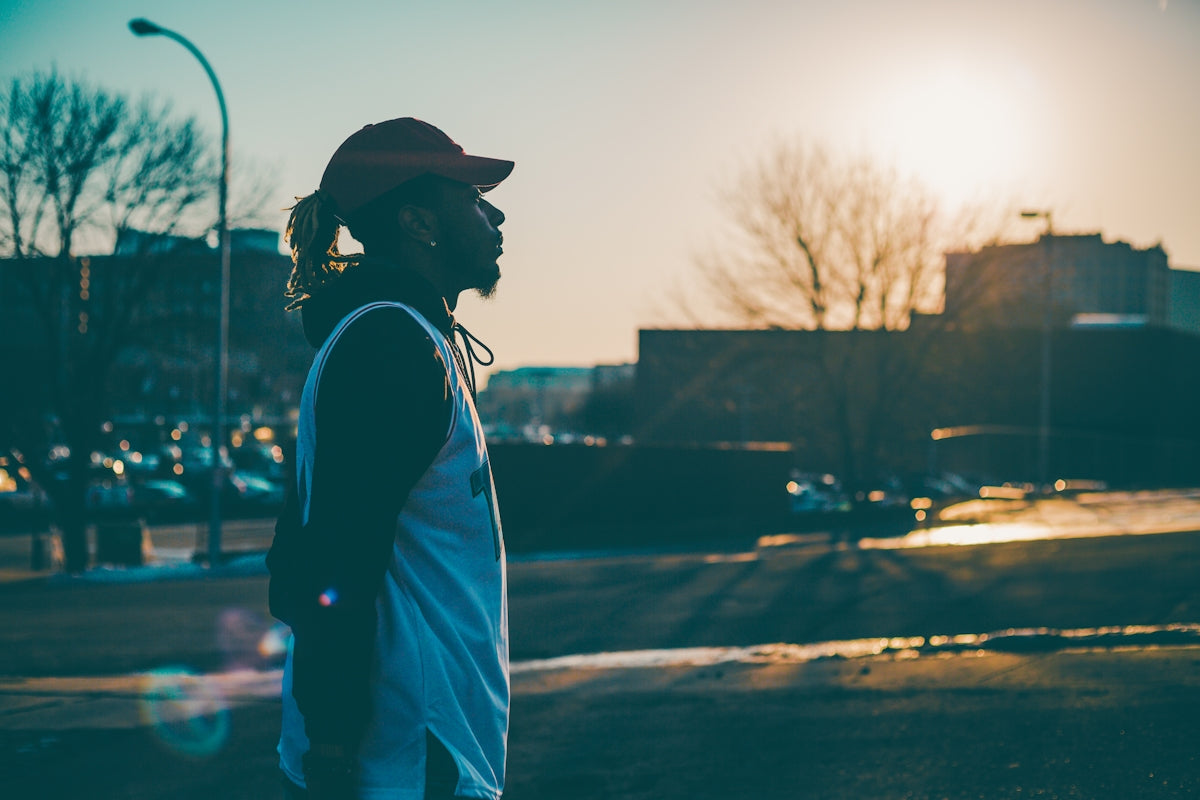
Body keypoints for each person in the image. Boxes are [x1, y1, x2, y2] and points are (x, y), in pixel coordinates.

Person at [267, 117, 513, 800]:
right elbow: (330, 560)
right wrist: (333, 745)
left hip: (423, 752)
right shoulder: (391, 346)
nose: (495, 215)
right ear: (419, 223)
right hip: (400, 762)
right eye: (472, 199)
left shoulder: (411, 336)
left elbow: (302, 551)